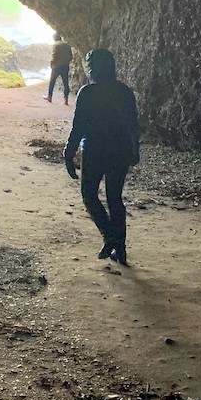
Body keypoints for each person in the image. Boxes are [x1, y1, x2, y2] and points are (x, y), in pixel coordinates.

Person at [64, 49, 139, 266]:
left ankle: (109, 236)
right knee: (115, 198)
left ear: (92, 68)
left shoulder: (87, 92)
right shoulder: (125, 92)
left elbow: (78, 127)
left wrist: (69, 153)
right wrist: (135, 149)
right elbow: (133, 125)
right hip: (121, 149)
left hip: (95, 149)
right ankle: (121, 249)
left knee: (89, 195)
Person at [45, 33, 73, 105]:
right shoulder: (67, 45)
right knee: (65, 82)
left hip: (56, 66)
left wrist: (51, 63)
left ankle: (49, 97)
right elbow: (71, 57)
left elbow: (54, 56)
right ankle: (66, 100)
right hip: (65, 66)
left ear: (54, 38)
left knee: (52, 82)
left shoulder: (56, 45)